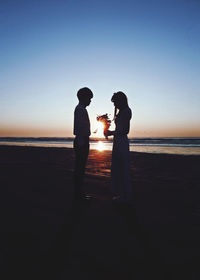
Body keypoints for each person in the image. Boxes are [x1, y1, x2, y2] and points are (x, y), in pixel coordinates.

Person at [105, 91, 132, 202]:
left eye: (115, 102)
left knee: (123, 168)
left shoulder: (126, 111)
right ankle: (121, 193)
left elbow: (125, 130)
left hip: (122, 142)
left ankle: (126, 195)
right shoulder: (121, 112)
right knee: (117, 167)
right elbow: (119, 129)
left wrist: (111, 133)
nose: (114, 105)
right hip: (117, 141)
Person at [73, 87, 93, 201]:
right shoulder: (80, 109)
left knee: (80, 167)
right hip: (82, 140)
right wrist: (82, 142)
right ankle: (79, 194)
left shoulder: (80, 109)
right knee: (80, 168)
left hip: (82, 140)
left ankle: (79, 193)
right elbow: (80, 128)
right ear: (84, 98)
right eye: (89, 98)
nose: (90, 101)